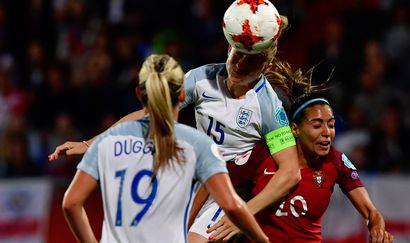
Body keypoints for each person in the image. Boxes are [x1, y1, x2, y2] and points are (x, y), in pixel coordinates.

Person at [50, 1, 301, 242]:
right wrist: (89, 143)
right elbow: (151, 115)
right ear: (228, 47)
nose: (240, 63)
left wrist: (244, 215)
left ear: (266, 64)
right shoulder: (202, 78)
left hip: (228, 191)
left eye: (251, 58)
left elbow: (290, 173)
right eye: (237, 52)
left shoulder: (269, 106)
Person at [61, 54, 270, 243]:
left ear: (138, 94)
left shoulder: (109, 142)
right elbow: (230, 205)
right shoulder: (199, 145)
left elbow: (71, 203)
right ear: (182, 96)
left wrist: (87, 144)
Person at [208, 60, 394, 242]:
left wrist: (376, 226)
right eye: (317, 125)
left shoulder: (335, 160)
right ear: (295, 129)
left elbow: (371, 212)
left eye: (331, 125)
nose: (327, 133)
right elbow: (217, 178)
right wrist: (234, 215)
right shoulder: (265, 153)